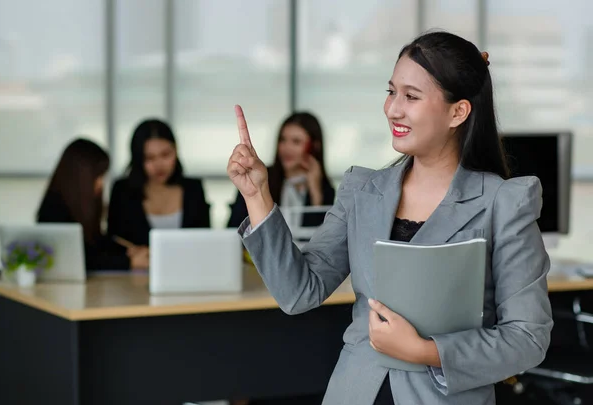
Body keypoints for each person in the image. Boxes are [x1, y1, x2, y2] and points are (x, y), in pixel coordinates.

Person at [226, 31, 553, 405]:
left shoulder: (503, 202)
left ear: (458, 112)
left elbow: (528, 338)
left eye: (411, 97)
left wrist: (426, 351)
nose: (393, 109)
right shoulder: (362, 190)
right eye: (391, 91)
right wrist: (257, 194)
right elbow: (299, 292)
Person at [107, 119, 210, 261]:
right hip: (135, 278)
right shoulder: (122, 191)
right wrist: (130, 258)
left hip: (188, 272)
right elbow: (113, 243)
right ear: (138, 159)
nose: (159, 165)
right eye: (149, 158)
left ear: (176, 151)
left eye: (166, 155)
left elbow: (206, 241)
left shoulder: (194, 189)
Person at [37, 138, 147, 270]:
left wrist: (127, 251)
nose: (101, 184)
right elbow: (81, 259)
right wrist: (127, 262)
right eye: (98, 176)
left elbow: (95, 243)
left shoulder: (82, 206)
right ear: (80, 176)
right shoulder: (53, 211)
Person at [227, 112, 335, 229]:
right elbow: (234, 228)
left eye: (296, 141)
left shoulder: (325, 188)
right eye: (283, 140)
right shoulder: (259, 176)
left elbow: (323, 239)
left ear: (314, 146)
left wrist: (315, 192)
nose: (286, 148)